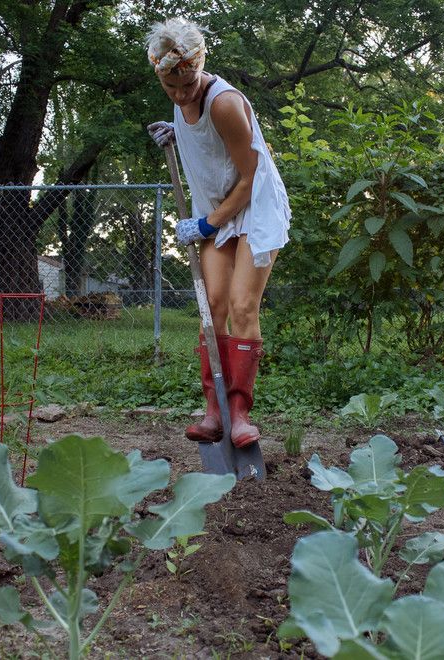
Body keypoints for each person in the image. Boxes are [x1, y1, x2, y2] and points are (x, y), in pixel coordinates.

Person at [145, 17, 290, 448]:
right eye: (170, 89)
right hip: (218, 208)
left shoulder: (223, 102)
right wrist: (182, 134)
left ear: (198, 67)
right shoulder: (177, 95)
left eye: (186, 87)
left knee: (243, 306)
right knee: (212, 305)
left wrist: (207, 224)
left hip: (253, 207)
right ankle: (214, 410)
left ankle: (240, 413)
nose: (180, 95)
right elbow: (211, 146)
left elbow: (249, 175)